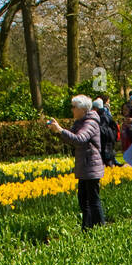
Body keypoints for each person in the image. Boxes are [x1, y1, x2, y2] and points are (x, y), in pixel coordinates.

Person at [46, 95, 105, 229]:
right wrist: (57, 131)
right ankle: (88, 229)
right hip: (84, 166)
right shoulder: (80, 122)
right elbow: (71, 139)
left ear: (82, 109)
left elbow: (79, 139)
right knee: (84, 201)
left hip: (91, 166)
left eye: (74, 107)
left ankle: (100, 228)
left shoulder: (90, 122)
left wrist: (61, 130)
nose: (72, 110)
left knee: (93, 201)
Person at [93, 97, 118, 166]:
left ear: (96, 108)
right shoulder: (107, 115)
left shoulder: (101, 117)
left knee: (106, 160)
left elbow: (102, 129)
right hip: (110, 140)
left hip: (105, 141)